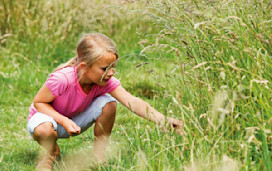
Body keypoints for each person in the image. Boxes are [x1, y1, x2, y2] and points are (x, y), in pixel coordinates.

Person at [27, 33, 183, 170]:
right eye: (105, 68)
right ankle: (50, 154)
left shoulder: (105, 82)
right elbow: (39, 103)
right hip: (46, 119)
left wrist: (163, 120)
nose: (111, 73)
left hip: (74, 121)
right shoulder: (62, 79)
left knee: (109, 102)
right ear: (84, 66)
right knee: (45, 131)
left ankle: (98, 156)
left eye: (114, 66)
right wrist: (64, 121)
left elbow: (132, 101)